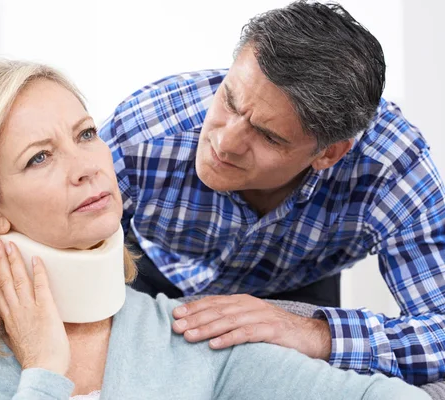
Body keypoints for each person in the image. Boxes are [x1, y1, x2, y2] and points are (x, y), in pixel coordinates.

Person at [0, 59, 427, 399]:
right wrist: (44, 373)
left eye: (87, 134)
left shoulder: (193, 344)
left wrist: (317, 333)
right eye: (40, 157)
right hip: (161, 267)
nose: (90, 164)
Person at [98, 0, 445, 386]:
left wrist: (317, 334)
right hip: (156, 270)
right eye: (229, 100)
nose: (224, 143)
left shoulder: (392, 167)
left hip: (298, 286)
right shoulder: (143, 133)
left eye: (267, 135)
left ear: (328, 153)